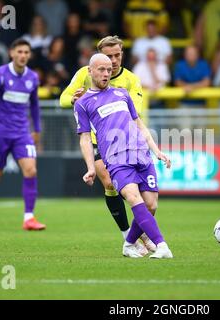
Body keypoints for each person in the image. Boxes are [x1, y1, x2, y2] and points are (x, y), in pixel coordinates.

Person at [60, 36, 155, 255]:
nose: (113, 61)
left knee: (145, 199)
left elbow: (135, 112)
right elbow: (63, 99)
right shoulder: (86, 73)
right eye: (108, 56)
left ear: (122, 54)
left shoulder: (130, 80)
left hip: (124, 140)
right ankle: (128, 236)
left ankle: (138, 233)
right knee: (110, 182)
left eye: (117, 56)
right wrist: (75, 100)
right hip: (97, 139)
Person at [75, 53, 173, 259]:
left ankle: (128, 244)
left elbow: (139, 125)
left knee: (151, 205)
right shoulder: (83, 103)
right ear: (90, 71)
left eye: (109, 70)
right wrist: (91, 167)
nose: (105, 73)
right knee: (133, 198)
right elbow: (85, 138)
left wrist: (156, 151)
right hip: (116, 157)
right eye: (101, 69)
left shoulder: (122, 94)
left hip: (141, 153)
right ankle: (162, 245)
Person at [0, 39, 46, 232]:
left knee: (31, 170)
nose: (23, 55)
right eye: (20, 52)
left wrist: (37, 130)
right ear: (11, 53)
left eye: (26, 52)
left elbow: (34, 105)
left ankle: (29, 218)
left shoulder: (32, 77)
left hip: (21, 133)